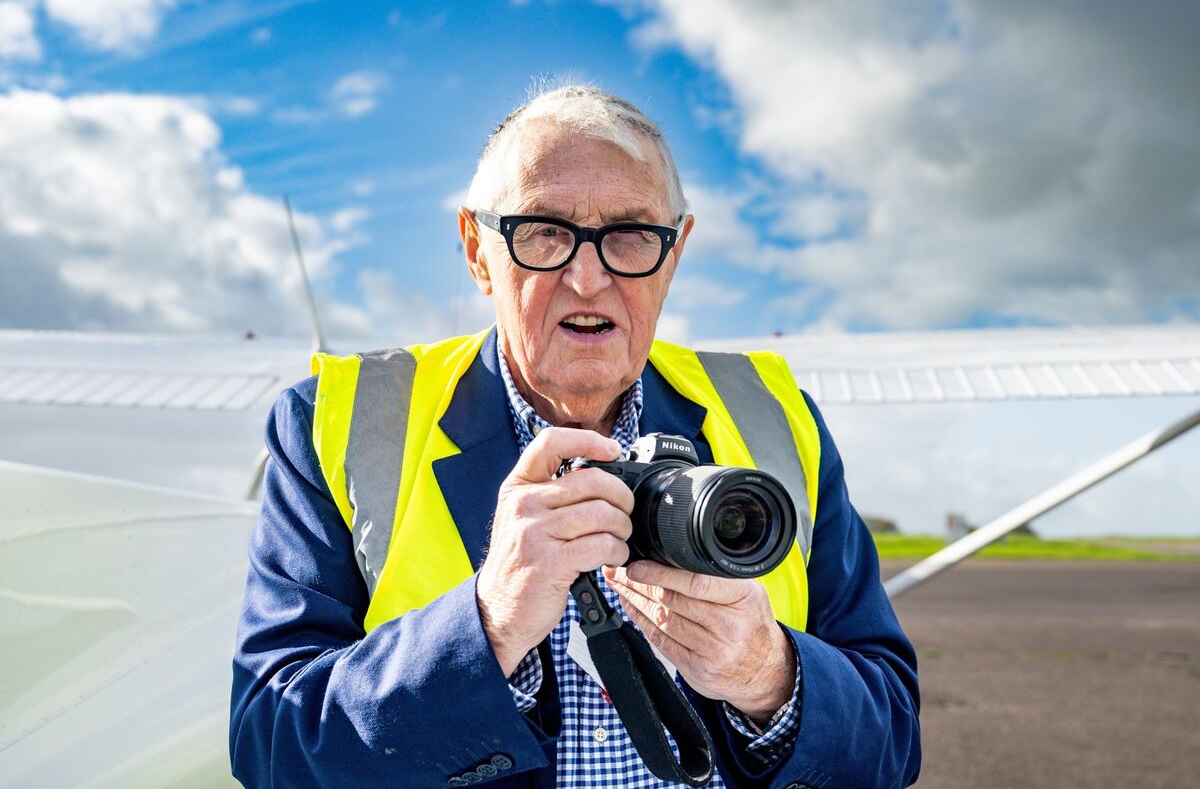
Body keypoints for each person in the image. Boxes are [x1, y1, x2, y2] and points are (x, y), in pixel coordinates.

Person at [230, 85, 921, 788]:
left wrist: (769, 676)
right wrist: (487, 623)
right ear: (477, 249)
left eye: (630, 234)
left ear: (674, 253)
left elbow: (892, 737)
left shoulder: (774, 418)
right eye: (544, 231)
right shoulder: (340, 425)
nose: (587, 278)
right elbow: (272, 745)